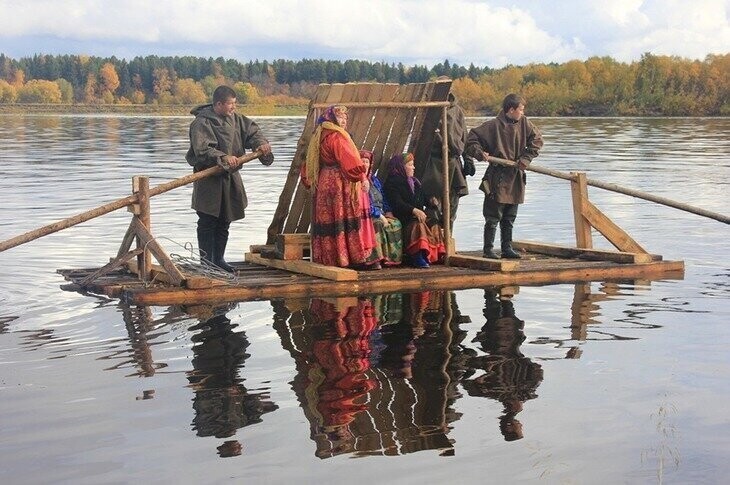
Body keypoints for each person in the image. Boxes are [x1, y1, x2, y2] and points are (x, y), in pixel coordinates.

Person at [185, 85, 273, 272]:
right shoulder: (201, 123)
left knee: (225, 220)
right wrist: (223, 157)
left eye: (234, 103)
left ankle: (219, 260)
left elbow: (253, 133)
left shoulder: (237, 119)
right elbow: (202, 149)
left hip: (230, 178)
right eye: (230, 104)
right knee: (208, 221)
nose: (234, 107)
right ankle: (207, 264)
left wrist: (261, 144)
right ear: (218, 104)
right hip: (209, 179)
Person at [464, 93, 543, 259]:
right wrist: (479, 153)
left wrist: (525, 158)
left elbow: (537, 141)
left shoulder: (525, 124)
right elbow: (471, 139)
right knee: (493, 216)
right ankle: (488, 249)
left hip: (515, 175)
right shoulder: (493, 125)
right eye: (521, 109)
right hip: (497, 176)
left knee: (510, 216)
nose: (523, 112)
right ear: (511, 109)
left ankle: (507, 248)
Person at [301, 105, 377, 269]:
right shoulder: (337, 137)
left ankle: (328, 258)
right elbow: (350, 160)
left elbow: (308, 164)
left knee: (328, 219)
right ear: (333, 119)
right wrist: (361, 176)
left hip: (324, 182)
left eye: (345, 118)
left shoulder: (319, 135)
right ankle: (349, 259)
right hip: (338, 182)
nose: (344, 121)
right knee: (343, 218)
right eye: (341, 118)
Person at [419, 86, 470, 231]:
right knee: (434, 206)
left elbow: (464, 135)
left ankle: (448, 239)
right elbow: (421, 139)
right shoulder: (429, 110)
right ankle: (435, 243)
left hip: (454, 162)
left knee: (452, 207)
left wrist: (468, 159)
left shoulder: (457, 111)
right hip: (434, 163)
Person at [383, 153, 445, 268]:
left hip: (417, 215)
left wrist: (431, 201)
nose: (413, 167)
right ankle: (417, 255)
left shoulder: (415, 182)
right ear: (402, 167)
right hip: (404, 217)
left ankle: (434, 255)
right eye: (410, 165)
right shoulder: (392, 183)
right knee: (417, 225)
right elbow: (397, 203)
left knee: (434, 223)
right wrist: (414, 210)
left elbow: (423, 198)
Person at [360, 149, 403, 267]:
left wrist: (388, 211)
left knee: (396, 223)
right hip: (367, 215)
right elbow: (363, 204)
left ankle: (391, 259)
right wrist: (379, 214)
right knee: (377, 224)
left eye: (367, 162)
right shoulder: (358, 182)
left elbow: (382, 196)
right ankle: (375, 260)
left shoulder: (374, 180)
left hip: (382, 212)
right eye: (362, 161)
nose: (365, 164)